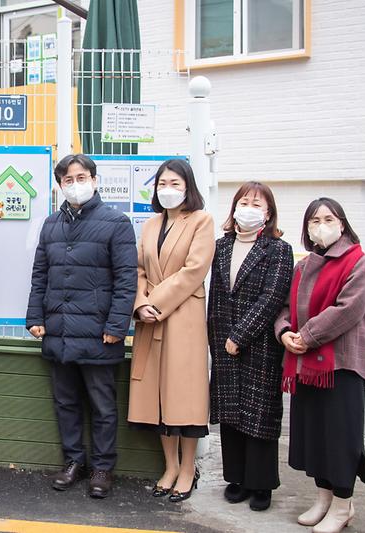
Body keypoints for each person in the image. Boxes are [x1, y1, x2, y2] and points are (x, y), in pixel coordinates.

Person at [26, 154, 137, 499]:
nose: (76, 184)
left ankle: (102, 467)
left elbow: (126, 279)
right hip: (59, 330)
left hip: (99, 333)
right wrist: (35, 317)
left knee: (102, 405)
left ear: (94, 179)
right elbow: (40, 275)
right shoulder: (51, 225)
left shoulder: (116, 223)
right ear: (60, 185)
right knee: (66, 402)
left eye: (82, 177)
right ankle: (73, 461)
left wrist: (118, 325)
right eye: (68, 179)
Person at [274, 198, 365, 533]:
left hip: (342, 365)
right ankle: (323, 497)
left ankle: (343, 504)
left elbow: (348, 309)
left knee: (339, 436)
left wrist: (307, 335)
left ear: (343, 223)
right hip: (307, 364)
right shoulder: (303, 266)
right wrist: (285, 332)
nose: (321, 225)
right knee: (314, 434)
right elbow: (286, 308)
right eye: (314, 220)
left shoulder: (357, 262)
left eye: (328, 218)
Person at [128, 159, 214, 503]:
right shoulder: (149, 225)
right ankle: (169, 465)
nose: (167, 189)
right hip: (150, 317)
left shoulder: (201, 222)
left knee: (185, 397)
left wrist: (155, 302)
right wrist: (140, 304)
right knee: (157, 397)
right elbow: (138, 269)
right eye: (162, 183)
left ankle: (188, 468)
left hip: (183, 317)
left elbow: (194, 271)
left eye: (175, 183)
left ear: (188, 186)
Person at [207, 182, 294, 511]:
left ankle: (261, 484)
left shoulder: (278, 249)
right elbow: (217, 294)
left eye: (257, 204)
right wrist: (218, 338)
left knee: (260, 414)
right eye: (243, 202)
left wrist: (239, 336)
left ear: (268, 212)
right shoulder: (222, 246)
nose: (249, 208)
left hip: (259, 344)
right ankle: (236, 478)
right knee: (231, 412)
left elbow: (272, 298)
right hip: (222, 337)